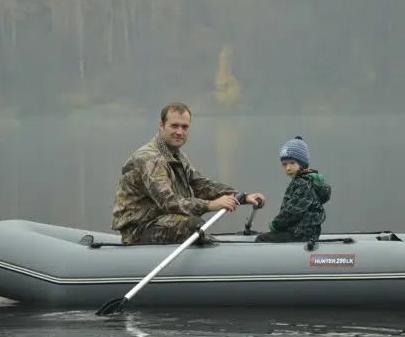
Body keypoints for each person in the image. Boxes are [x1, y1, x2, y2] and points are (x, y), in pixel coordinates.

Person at [111, 102, 265, 246]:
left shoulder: (178, 155)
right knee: (193, 224)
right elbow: (169, 202)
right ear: (161, 125)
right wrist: (210, 205)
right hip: (140, 229)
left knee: (193, 224)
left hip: (162, 221)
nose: (180, 132)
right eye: (174, 126)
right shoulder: (149, 158)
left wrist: (242, 197)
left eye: (185, 127)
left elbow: (200, 184)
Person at [255, 136, 331, 243]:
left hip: (301, 234)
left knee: (261, 240)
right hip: (300, 232)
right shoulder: (301, 181)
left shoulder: (304, 184)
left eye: (292, 163)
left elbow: (293, 212)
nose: (288, 168)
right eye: (284, 164)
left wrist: (276, 224)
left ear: (302, 163)